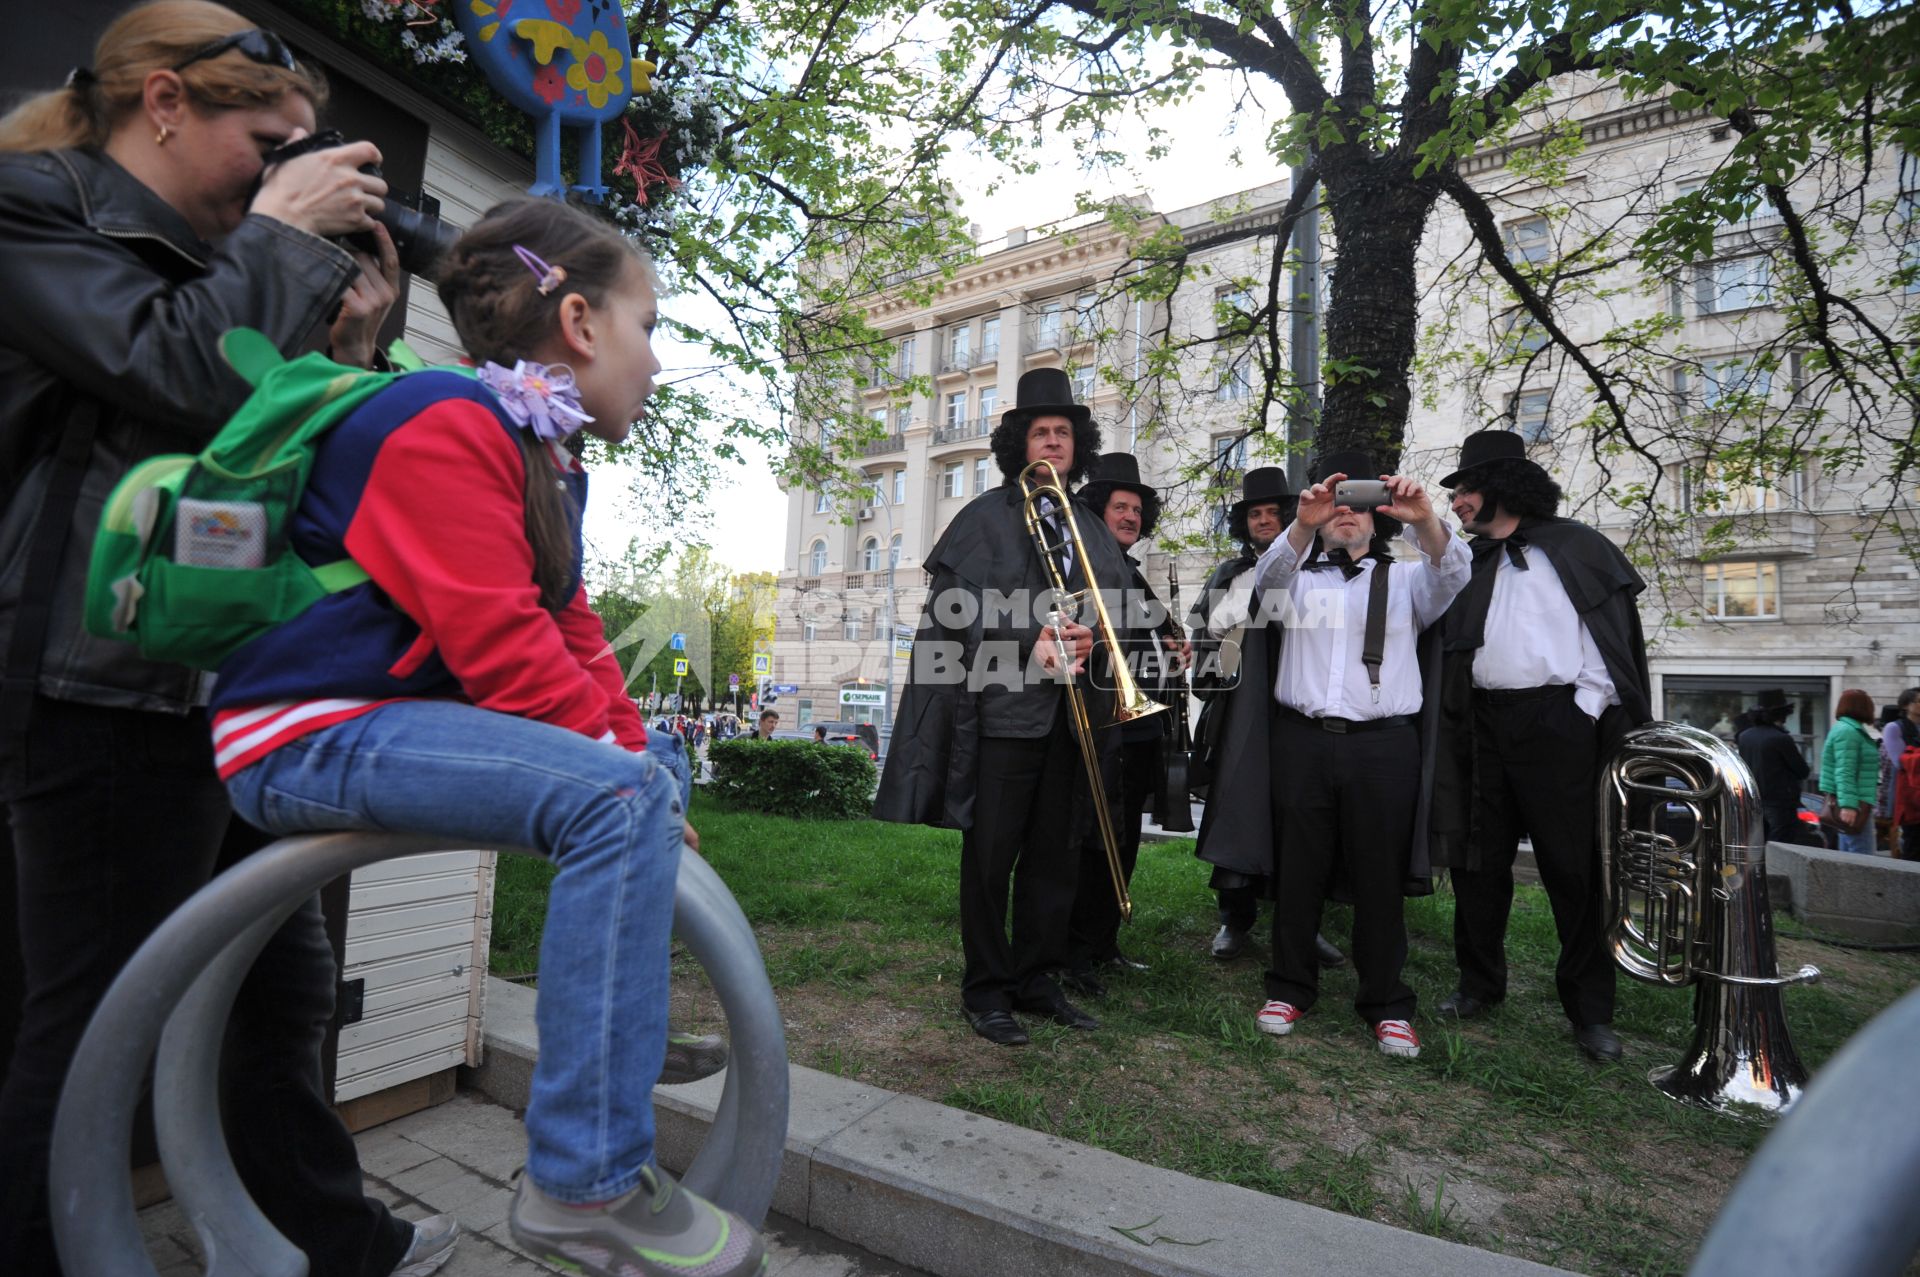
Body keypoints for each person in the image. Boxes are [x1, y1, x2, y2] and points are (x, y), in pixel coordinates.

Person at [207, 200, 765, 1277]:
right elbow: (502, 646)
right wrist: (623, 781)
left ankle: (616, 1042)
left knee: (649, 770)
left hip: (382, 720)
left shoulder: (543, 455)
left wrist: (644, 764)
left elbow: (575, 634)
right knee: (617, 794)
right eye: (649, 325)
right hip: (304, 730)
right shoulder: (447, 420)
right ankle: (586, 1180)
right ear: (580, 321)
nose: (656, 360)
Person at [0, 7, 460, 1274]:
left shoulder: (238, 255)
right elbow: (176, 373)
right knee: (94, 1017)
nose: (284, 172)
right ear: (162, 102)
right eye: (268, 144)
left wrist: (356, 340)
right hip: (98, 677)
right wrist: (276, 236)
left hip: (230, 679)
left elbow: (281, 453)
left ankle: (331, 1238)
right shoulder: (38, 207)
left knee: (276, 985)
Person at [875, 367, 1128, 1047]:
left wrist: (1094, 635)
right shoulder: (981, 518)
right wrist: (1031, 639)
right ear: (1021, 442)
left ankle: (1038, 978)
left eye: (1063, 433)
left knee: (1055, 856)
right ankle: (986, 988)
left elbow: (1118, 616)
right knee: (990, 857)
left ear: (1079, 445)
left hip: (1072, 718)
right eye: (1041, 432)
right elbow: (953, 614)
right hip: (1002, 716)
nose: (1053, 442)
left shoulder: (1091, 528)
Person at [1428, 429, 1651, 1065]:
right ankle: (1478, 984)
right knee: (1478, 862)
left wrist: (1579, 715)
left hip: (1559, 725)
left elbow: (1609, 647)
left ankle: (1589, 1012)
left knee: (1574, 871)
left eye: (1466, 490)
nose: (1461, 503)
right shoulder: (1470, 562)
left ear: (1501, 487)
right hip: (1482, 725)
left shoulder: (1577, 549)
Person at [1247, 451, 1467, 1059]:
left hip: (1383, 745)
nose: (1347, 515)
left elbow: (1453, 574)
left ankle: (1386, 1004)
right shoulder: (1297, 579)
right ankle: (1289, 987)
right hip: (1303, 741)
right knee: (1299, 870)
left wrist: (1425, 520)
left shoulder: (1408, 582)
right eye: (1337, 508)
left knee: (1379, 876)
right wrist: (1302, 523)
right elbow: (1263, 585)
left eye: (1359, 509)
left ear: (1379, 521)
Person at [1187, 467, 1347, 970]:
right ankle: (1235, 920)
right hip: (1240, 715)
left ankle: (1303, 924)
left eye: (1271, 514)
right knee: (1239, 810)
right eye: (1254, 514)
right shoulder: (1227, 575)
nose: (1262, 522)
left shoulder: (1324, 569)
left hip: (1300, 712)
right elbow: (1203, 643)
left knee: (1302, 821)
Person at [1062, 452, 1188, 995]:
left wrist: (1176, 640)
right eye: (1121, 507)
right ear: (1098, 510)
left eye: (1138, 509)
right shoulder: (1081, 567)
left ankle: (1103, 942)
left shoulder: (1134, 572)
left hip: (1137, 727)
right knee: (1090, 840)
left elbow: (1165, 633)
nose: (1132, 517)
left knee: (1125, 838)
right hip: (1095, 727)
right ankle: (1073, 952)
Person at [1737, 692, 1811, 845]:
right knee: (1780, 846)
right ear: (1781, 715)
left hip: (1752, 800)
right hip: (1779, 802)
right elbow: (1802, 770)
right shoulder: (1781, 738)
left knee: (1756, 844)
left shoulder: (1744, 736)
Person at [1821, 689, 1882, 855]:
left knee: (1850, 856)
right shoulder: (1849, 732)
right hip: (1855, 804)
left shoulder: (1846, 729)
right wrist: (1849, 806)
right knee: (1862, 859)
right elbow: (1844, 771)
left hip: (1854, 801)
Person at [1891, 688, 1920, 860]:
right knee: (1912, 847)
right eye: (1918, 701)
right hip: (1909, 795)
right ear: (1906, 705)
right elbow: (1899, 762)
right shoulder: (1895, 727)